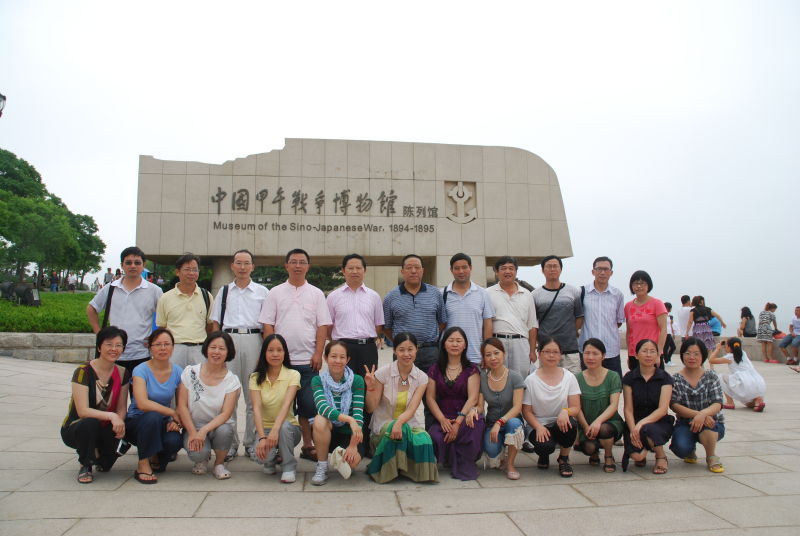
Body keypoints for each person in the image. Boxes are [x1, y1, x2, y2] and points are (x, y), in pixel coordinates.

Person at [259, 248, 332, 462]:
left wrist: (318, 352)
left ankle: (308, 446)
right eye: (293, 261)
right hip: (282, 363)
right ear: (286, 265)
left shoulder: (316, 294)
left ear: (308, 266)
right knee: (282, 407)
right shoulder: (275, 292)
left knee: (308, 406)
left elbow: (322, 326)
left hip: (308, 362)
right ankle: (282, 449)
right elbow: (268, 325)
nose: (298, 265)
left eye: (302, 262)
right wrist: (272, 354)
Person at [210, 249, 269, 460]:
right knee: (230, 395)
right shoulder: (224, 291)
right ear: (232, 266)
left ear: (253, 266)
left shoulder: (262, 292)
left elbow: (267, 323)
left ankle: (251, 443)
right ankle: (230, 443)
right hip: (229, 341)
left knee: (253, 395)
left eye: (246, 263)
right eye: (238, 263)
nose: (242, 267)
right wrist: (216, 348)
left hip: (254, 340)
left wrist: (265, 349)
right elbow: (216, 322)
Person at [326, 253, 384, 450]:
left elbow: (378, 326)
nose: (354, 271)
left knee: (367, 391)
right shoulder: (333, 297)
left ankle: (364, 443)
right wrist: (339, 346)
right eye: (350, 268)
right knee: (341, 391)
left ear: (364, 270)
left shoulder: (373, 296)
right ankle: (340, 442)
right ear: (343, 271)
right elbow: (328, 327)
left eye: (358, 268)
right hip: (343, 349)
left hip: (367, 348)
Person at [364, 332, 438, 483]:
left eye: (410, 349)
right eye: (402, 350)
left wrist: (399, 423)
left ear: (416, 350)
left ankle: (409, 470)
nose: (406, 354)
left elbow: (412, 409)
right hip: (384, 426)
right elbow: (371, 408)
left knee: (424, 439)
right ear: (394, 351)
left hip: (408, 424)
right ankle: (386, 470)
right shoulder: (382, 373)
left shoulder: (422, 377)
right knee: (398, 430)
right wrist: (370, 388)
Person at [60, 326, 131, 484]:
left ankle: (97, 453)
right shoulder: (83, 372)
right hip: (78, 427)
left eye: (118, 345)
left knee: (106, 464)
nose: (114, 349)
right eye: (109, 344)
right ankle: (85, 464)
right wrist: (112, 416)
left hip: (105, 427)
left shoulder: (122, 373)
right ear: (99, 347)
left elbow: (121, 407)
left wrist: (119, 422)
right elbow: (83, 411)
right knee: (90, 423)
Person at [87, 247, 164, 372]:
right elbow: (91, 308)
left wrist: (156, 338)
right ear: (122, 265)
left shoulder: (155, 291)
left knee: (139, 386)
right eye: (128, 262)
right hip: (113, 353)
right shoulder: (111, 288)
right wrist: (100, 334)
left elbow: (165, 317)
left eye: (137, 263)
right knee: (112, 385)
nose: (133, 266)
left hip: (141, 354)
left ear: (144, 265)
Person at [176, 331, 240, 480]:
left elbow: (226, 413)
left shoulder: (232, 380)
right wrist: (193, 432)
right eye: (213, 347)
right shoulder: (190, 372)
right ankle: (202, 459)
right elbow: (182, 406)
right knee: (198, 454)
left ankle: (219, 463)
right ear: (206, 348)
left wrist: (204, 431)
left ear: (228, 352)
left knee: (225, 430)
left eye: (222, 348)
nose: (216, 352)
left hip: (217, 426)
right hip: (194, 426)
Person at [124, 328, 183, 484]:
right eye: (158, 344)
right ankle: (142, 463)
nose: (163, 348)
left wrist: (175, 421)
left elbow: (182, 404)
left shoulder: (178, 371)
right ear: (150, 348)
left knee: (174, 441)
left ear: (173, 347)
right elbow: (142, 404)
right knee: (153, 416)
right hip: (138, 422)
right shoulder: (140, 370)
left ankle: (155, 456)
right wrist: (170, 412)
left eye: (166, 344)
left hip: (162, 422)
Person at [426, 327, 484, 481]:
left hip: (465, 414)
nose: (455, 344)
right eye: (451, 340)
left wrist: (458, 422)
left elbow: (473, 398)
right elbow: (430, 398)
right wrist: (442, 420)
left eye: (459, 341)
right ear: (444, 344)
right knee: (436, 436)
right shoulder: (435, 369)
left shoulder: (471, 369)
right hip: (444, 415)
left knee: (471, 429)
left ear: (465, 345)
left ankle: (463, 461)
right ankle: (449, 459)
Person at [521, 336, 581, 478]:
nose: (551, 355)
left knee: (571, 424)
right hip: (539, 424)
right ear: (539, 354)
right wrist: (538, 427)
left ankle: (564, 458)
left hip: (561, 422)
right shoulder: (530, 380)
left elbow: (576, 407)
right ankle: (543, 455)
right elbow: (526, 411)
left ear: (560, 355)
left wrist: (565, 411)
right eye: (547, 351)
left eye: (555, 352)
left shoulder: (569, 377)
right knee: (545, 447)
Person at [310, 340, 365, 485]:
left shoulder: (357, 380)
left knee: (352, 463)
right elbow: (322, 408)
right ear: (325, 358)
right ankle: (322, 467)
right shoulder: (317, 380)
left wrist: (353, 445)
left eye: (342, 357)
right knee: (319, 419)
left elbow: (358, 415)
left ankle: (342, 456)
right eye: (333, 356)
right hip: (329, 432)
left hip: (350, 434)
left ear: (348, 359)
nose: (338, 361)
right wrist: (349, 419)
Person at [249, 334, 302, 483]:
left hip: (288, 428)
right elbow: (256, 408)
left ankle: (289, 467)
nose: (275, 354)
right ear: (264, 353)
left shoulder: (293, 374)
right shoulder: (255, 377)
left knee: (284, 428)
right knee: (261, 457)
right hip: (265, 428)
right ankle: (272, 460)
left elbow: (286, 404)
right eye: (270, 350)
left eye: (279, 350)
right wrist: (262, 437)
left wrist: (275, 431)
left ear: (285, 353)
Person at [382, 254, 447, 373]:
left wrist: (429, 335)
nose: (413, 271)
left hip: (430, 352)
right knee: (403, 384)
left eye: (417, 267)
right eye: (409, 268)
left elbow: (442, 321)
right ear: (402, 271)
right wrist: (402, 342)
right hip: (403, 353)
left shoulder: (435, 293)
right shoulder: (391, 297)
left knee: (432, 383)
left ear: (422, 270)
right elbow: (386, 327)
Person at [669, 337, 726, 473]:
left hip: (711, 421)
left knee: (708, 428)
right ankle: (690, 448)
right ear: (682, 355)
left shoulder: (711, 376)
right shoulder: (676, 379)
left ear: (703, 356)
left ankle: (711, 456)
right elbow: (674, 405)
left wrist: (704, 415)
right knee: (681, 448)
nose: (692, 357)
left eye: (696, 354)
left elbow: (717, 403)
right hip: (686, 423)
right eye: (688, 353)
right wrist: (698, 415)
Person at [472, 337, 525, 480]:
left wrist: (500, 422)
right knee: (491, 450)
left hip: (511, 421)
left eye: (496, 353)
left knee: (514, 424)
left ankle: (510, 464)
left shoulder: (515, 377)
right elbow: (480, 407)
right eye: (488, 355)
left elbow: (517, 407)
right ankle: (502, 455)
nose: (493, 358)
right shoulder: (483, 378)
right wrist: (473, 411)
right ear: (484, 358)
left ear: (504, 354)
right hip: (492, 424)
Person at [621, 339, 674, 474]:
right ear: (636, 355)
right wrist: (633, 429)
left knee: (648, 430)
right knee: (637, 457)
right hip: (635, 422)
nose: (648, 355)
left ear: (657, 355)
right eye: (644, 351)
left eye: (652, 351)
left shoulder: (665, 378)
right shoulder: (629, 378)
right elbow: (628, 409)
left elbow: (662, 410)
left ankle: (660, 456)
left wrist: (641, 425)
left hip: (658, 422)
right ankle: (644, 448)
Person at [157, 253, 214, 368]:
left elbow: (210, 325)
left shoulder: (206, 296)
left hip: (199, 349)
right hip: (174, 350)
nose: (191, 273)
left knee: (199, 379)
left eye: (195, 270)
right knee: (174, 379)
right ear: (177, 272)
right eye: (187, 269)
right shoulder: (165, 298)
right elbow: (162, 327)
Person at [575, 338, 623, 473]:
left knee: (604, 429)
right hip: (586, 423)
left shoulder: (613, 376)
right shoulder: (577, 378)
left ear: (603, 356)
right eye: (587, 353)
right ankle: (594, 452)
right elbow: (577, 407)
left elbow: (614, 405)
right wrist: (585, 426)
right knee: (589, 448)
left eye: (595, 353)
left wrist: (598, 422)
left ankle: (608, 455)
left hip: (609, 421)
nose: (590, 357)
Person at [486, 256, 538, 379]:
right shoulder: (487, 293)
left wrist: (532, 351)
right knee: (497, 378)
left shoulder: (527, 294)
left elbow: (532, 325)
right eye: (503, 268)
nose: (507, 271)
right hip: (497, 342)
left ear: (516, 271)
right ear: (496, 271)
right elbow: (486, 324)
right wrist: (486, 348)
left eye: (511, 268)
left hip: (521, 343)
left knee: (521, 380)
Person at [532, 255, 584, 374]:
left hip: (570, 349)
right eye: (549, 266)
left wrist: (570, 331)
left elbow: (579, 317)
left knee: (573, 381)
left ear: (561, 269)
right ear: (542, 270)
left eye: (555, 266)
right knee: (547, 382)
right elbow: (533, 324)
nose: (552, 269)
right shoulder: (535, 295)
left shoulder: (573, 291)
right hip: (546, 350)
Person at [442, 253, 495, 365]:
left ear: (470, 268)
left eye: (464, 267)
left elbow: (488, 325)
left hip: (475, 356)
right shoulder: (442, 294)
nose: (461, 271)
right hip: (449, 357)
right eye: (457, 268)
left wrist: (487, 352)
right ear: (451, 270)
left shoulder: (482, 293)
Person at [578, 256, 626, 378]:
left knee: (614, 385)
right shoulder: (582, 292)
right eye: (599, 269)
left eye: (606, 269)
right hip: (587, 351)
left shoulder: (617, 295)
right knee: (586, 385)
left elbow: (619, 321)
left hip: (611, 351)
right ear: (593, 271)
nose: (602, 272)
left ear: (611, 272)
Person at [624, 270, 667, 371]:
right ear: (631, 286)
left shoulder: (657, 304)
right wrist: (629, 354)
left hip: (651, 353)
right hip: (635, 354)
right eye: (636, 283)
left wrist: (658, 354)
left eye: (643, 283)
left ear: (648, 285)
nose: (639, 286)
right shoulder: (628, 306)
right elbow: (629, 332)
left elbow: (664, 330)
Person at [709, 337, 766, 412]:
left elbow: (711, 360)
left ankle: (730, 403)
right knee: (748, 404)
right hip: (758, 383)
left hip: (745, 384)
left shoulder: (729, 357)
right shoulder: (743, 353)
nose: (725, 347)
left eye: (726, 346)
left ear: (729, 347)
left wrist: (717, 348)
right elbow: (735, 343)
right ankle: (758, 401)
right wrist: (728, 342)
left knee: (720, 377)